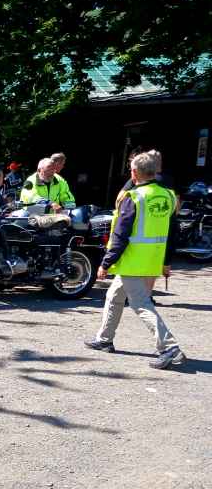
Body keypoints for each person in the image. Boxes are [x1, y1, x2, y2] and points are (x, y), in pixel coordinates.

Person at [84, 152, 185, 369]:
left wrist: (105, 263)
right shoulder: (168, 195)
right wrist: (166, 261)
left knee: (141, 304)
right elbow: (173, 231)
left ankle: (169, 348)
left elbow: (120, 235)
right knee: (114, 296)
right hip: (152, 259)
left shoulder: (133, 197)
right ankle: (104, 339)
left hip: (132, 260)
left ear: (134, 172)